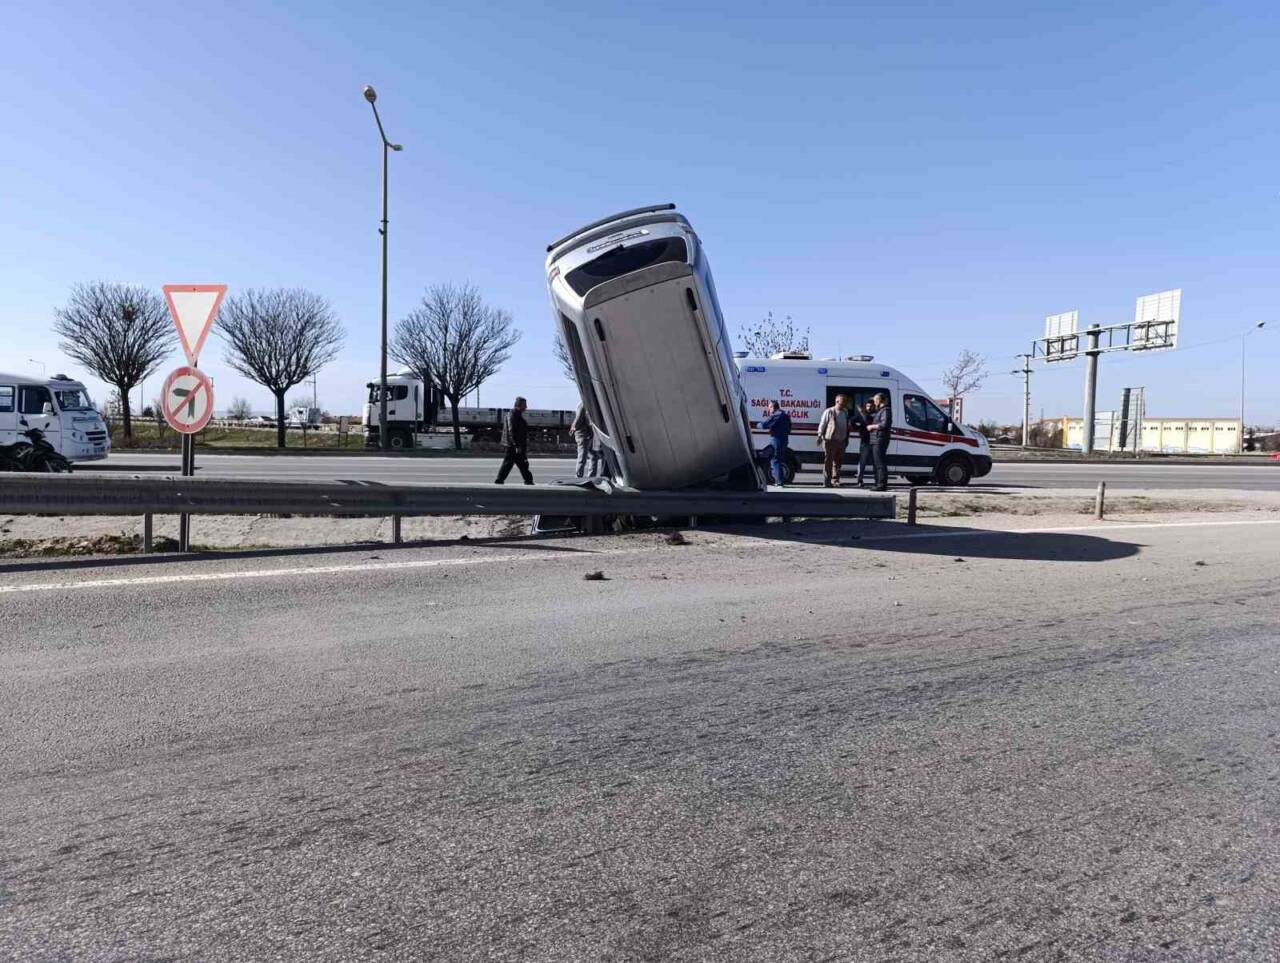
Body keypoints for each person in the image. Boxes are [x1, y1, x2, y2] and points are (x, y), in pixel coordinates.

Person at [494, 396, 534, 485]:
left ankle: (500, 480)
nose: (526, 407)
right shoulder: (513, 415)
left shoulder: (516, 415)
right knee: (517, 463)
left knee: (516, 463)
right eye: (524, 405)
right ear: (519, 405)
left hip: (515, 445)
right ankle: (528, 481)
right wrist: (516, 445)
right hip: (513, 445)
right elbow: (512, 431)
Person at [816, 394, 850, 487]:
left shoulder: (845, 412)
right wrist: (820, 435)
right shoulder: (829, 411)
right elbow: (822, 424)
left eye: (845, 402)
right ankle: (827, 481)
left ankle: (835, 480)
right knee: (828, 461)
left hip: (841, 441)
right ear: (837, 401)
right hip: (830, 440)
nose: (844, 404)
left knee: (838, 462)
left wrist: (846, 438)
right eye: (843, 402)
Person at [759, 400, 792, 486]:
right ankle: (780, 480)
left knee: (775, 460)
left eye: (769, 408)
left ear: (773, 407)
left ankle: (779, 481)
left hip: (777, 439)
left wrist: (758, 424)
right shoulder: (785, 415)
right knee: (779, 459)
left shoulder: (776, 415)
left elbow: (765, 425)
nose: (769, 410)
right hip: (784, 439)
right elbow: (789, 428)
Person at [867, 392, 893, 491]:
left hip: (880, 439)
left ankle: (881, 484)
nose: (874, 402)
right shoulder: (880, 411)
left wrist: (872, 426)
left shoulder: (886, 411)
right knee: (875, 462)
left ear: (879, 400)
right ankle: (877, 483)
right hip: (875, 439)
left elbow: (884, 424)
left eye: (875, 400)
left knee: (879, 462)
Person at [570, 403, 596, 478]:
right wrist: (573, 427)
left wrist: (573, 428)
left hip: (586, 435)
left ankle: (590, 476)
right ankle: (580, 476)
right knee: (585, 457)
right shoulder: (584, 404)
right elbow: (579, 418)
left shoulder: (584, 403)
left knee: (592, 456)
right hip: (584, 435)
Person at [854, 400, 873, 487]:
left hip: (875, 442)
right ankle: (859, 480)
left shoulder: (875, 415)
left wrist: (862, 412)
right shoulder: (861, 416)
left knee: (876, 462)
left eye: (871, 406)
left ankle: (877, 480)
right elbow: (851, 421)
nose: (869, 408)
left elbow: (868, 422)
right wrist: (858, 428)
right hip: (865, 441)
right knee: (862, 462)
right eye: (868, 406)